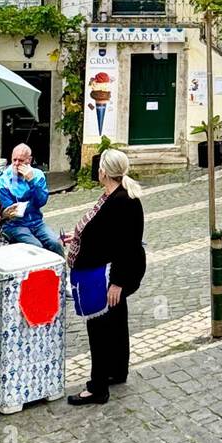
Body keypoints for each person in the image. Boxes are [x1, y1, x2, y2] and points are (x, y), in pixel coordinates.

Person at [67, 150, 146, 406]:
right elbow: (103, 233)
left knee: (99, 327)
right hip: (105, 271)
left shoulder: (122, 201)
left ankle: (97, 387)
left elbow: (128, 244)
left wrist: (117, 282)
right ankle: (117, 370)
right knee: (116, 319)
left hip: (108, 274)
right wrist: (76, 237)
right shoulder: (115, 195)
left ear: (103, 171)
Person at [0, 145, 64, 255]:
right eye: (14, 160)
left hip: (36, 222)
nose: (16, 164)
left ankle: (60, 270)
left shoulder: (38, 175)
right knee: (37, 247)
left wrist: (32, 181)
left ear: (29, 160)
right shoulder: (4, 179)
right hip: (15, 225)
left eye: (21, 161)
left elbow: (41, 201)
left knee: (55, 243)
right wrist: (30, 201)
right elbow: (13, 210)